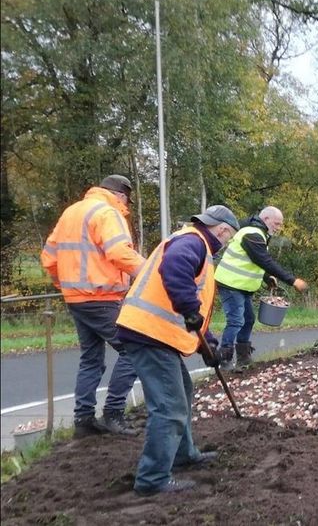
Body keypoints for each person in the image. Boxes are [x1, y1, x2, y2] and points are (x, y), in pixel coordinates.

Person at [115, 205, 239, 496]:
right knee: (170, 407)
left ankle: (184, 454)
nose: (226, 244)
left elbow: (194, 312)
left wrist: (207, 344)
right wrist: (188, 308)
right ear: (221, 231)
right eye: (229, 238)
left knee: (182, 392)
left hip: (155, 334)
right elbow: (175, 272)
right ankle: (152, 479)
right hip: (148, 334)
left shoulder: (193, 242)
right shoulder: (192, 242)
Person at [40, 175, 145, 437]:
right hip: (102, 296)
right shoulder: (107, 213)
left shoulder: (71, 212)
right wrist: (151, 272)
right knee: (134, 349)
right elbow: (119, 253)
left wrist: (63, 285)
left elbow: (49, 259)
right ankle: (113, 414)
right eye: (126, 201)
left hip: (76, 298)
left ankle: (84, 420)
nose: (126, 207)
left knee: (91, 358)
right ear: (121, 196)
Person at [212, 206, 307, 370]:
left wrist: (266, 277)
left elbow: (253, 261)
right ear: (266, 219)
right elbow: (265, 261)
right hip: (230, 284)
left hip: (242, 286)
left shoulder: (259, 234)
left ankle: (243, 357)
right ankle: (225, 360)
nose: (278, 228)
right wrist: (292, 281)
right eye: (277, 223)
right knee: (236, 321)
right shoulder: (252, 234)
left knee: (248, 319)